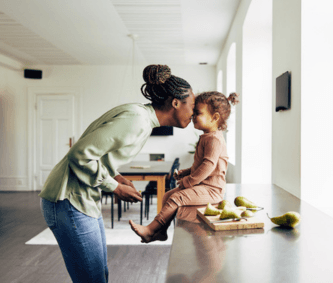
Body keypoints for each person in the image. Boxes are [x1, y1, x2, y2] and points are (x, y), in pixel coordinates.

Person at [39, 64, 194, 283]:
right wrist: (114, 187)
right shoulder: (136, 119)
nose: (195, 113)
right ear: (175, 103)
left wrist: (116, 176)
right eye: (193, 105)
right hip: (68, 199)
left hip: (80, 199)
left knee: (99, 274)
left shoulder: (141, 118)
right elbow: (80, 155)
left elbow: (99, 155)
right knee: (93, 279)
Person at [129, 91, 239, 243]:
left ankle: (150, 229)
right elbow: (201, 165)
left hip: (212, 190)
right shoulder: (207, 137)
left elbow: (208, 166)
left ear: (215, 118)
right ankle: (161, 232)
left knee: (176, 198)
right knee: (167, 196)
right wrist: (184, 173)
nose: (193, 116)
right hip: (203, 185)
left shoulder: (214, 140)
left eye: (198, 113)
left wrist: (189, 181)